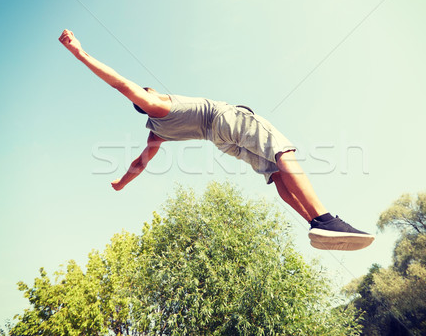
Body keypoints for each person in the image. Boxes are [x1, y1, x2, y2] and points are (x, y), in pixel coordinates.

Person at [58, 29, 374, 251]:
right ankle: (326, 218)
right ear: (147, 97)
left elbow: (141, 162)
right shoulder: (158, 104)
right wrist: (79, 52)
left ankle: (314, 225)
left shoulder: (157, 133)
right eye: (147, 91)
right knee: (283, 152)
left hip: (223, 142)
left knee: (275, 175)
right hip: (225, 121)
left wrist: (123, 183)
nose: (150, 90)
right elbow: (123, 85)